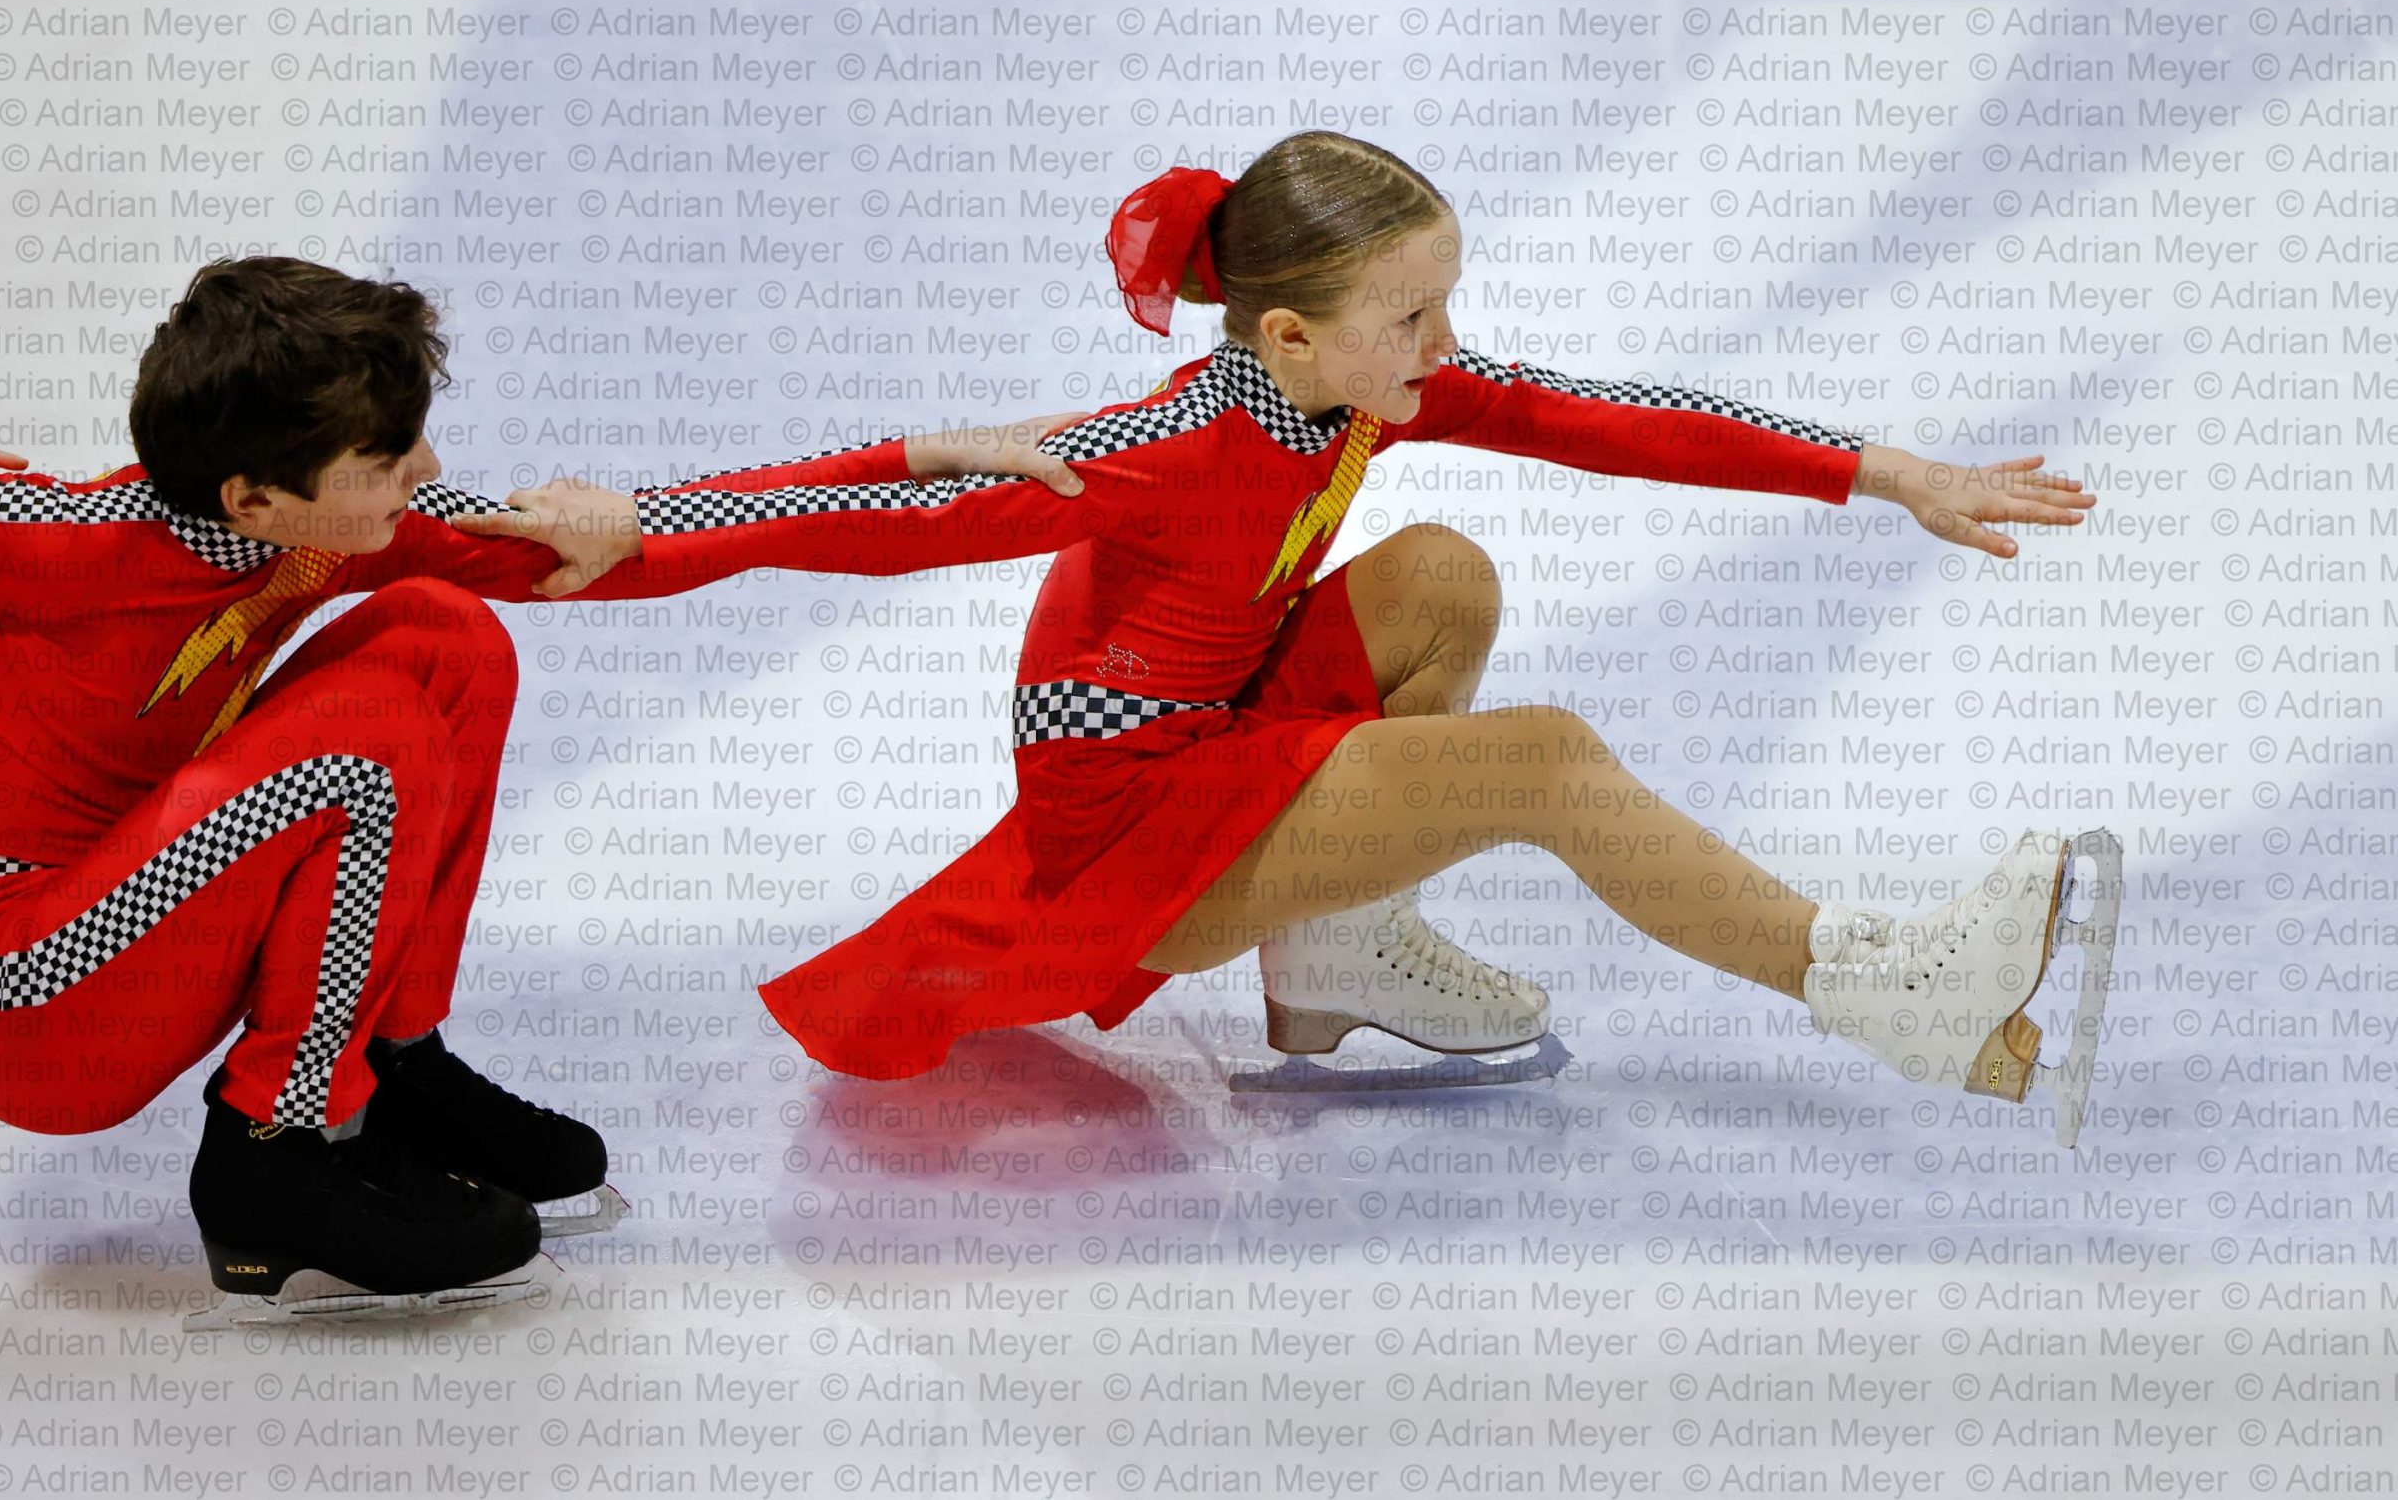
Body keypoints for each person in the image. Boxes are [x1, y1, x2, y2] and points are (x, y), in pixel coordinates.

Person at [474, 130, 2116, 1138]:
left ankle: (1331, 958)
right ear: (1288, 333)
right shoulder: (1167, 448)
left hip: (1216, 735)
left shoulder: (1356, 388)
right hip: (1127, 839)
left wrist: (1891, 472)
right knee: (1541, 761)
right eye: (1416, 314)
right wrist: (638, 517)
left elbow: (1610, 414)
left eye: (1446, 300)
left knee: (1441, 574)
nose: (1449, 343)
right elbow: (872, 516)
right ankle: (1880, 987)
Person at [0, 255, 1084, 1321]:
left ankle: (384, 1065)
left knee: (445, 638)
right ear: (253, 498)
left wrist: (920, 457)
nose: (425, 469)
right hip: (10, 984)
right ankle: (276, 1152)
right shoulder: (58, 537)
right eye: (388, 457)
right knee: (366, 732)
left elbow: (647, 539)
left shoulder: (327, 523)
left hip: (142, 896)